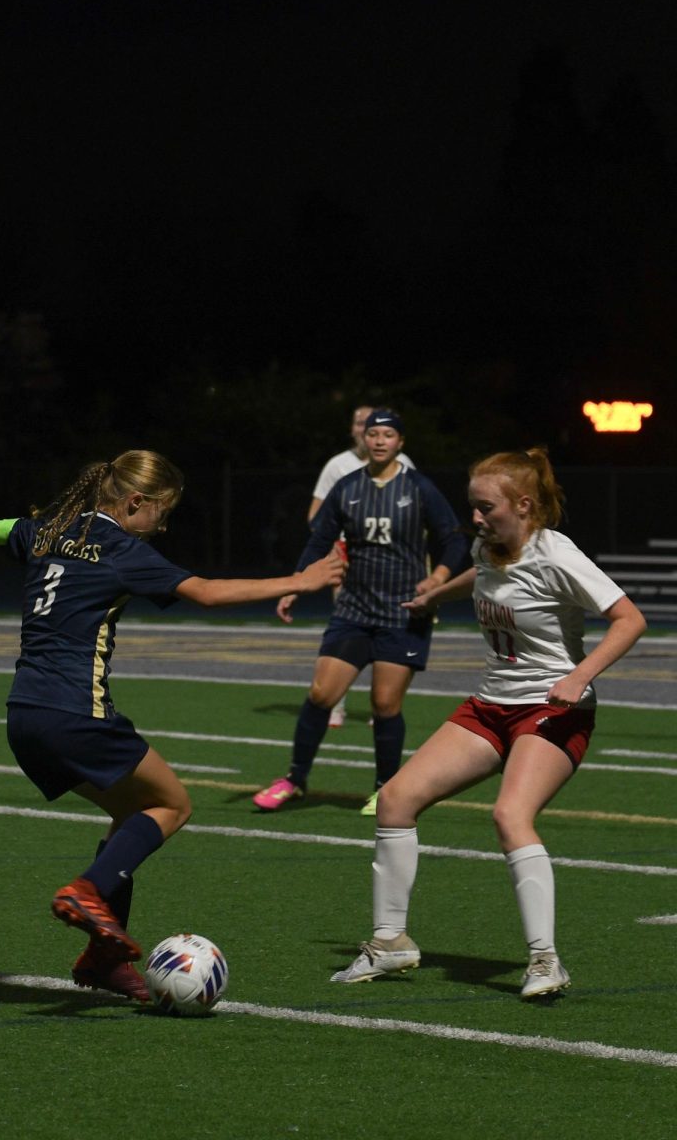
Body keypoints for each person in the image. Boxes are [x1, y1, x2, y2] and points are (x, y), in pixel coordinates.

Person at [0, 451, 342, 1002]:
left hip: (24, 717)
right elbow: (209, 593)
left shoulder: (46, 532)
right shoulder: (122, 550)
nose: (162, 526)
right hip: (77, 714)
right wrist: (303, 579)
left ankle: (100, 959)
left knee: (128, 815)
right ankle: (88, 892)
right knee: (172, 806)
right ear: (134, 501)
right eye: (161, 512)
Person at [330, 447, 647, 998]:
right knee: (397, 799)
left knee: (510, 814)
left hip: (553, 709)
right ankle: (390, 943)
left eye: (485, 507)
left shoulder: (556, 554)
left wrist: (580, 675)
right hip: (490, 705)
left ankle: (546, 961)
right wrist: (434, 595)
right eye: (471, 506)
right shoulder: (488, 545)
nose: (474, 518)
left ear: (523, 505)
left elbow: (629, 618)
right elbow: (482, 572)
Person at [253, 410, 469, 816]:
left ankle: (386, 789)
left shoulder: (419, 487)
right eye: (373, 434)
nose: (379, 440)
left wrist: (437, 577)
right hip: (353, 610)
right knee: (321, 694)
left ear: (400, 442)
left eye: (388, 434)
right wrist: (295, 585)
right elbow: (318, 541)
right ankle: (294, 780)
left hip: (405, 612)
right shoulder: (348, 487)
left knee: (384, 705)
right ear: (364, 440)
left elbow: (454, 539)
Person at [309, 404, 415, 728]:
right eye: (360, 424)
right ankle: (335, 704)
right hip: (349, 558)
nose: (365, 430)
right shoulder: (338, 466)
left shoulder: (405, 467)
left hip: (393, 564)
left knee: (394, 631)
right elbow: (315, 515)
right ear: (356, 431)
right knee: (346, 628)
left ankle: (383, 704)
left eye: (373, 425)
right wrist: (338, 540)